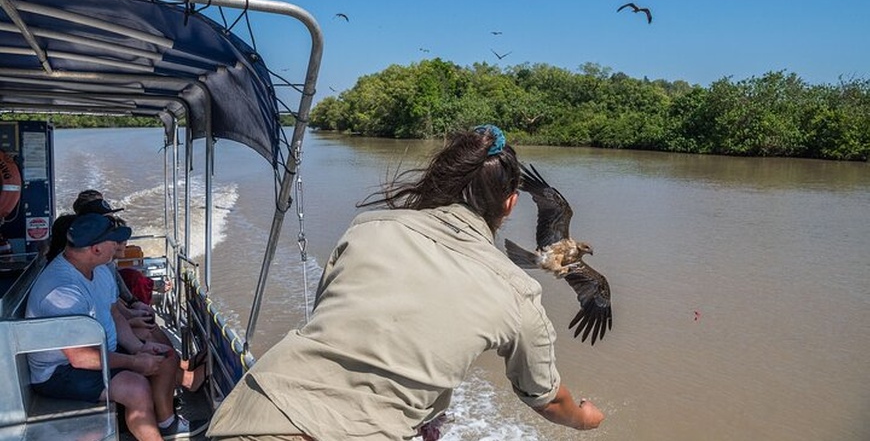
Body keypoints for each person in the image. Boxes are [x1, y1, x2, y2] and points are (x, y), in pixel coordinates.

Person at [207, 125, 604, 440]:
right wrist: (585, 420)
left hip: (248, 415)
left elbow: (341, 320)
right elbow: (548, 399)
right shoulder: (517, 289)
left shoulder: (368, 226)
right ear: (511, 202)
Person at [26, 213, 207, 439]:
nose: (120, 245)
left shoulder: (100, 269)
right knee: (135, 388)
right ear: (96, 249)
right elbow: (80, 357)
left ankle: (167, 424)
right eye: (114, 240)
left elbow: (114, 315)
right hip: (59, 371)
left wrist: (136, 348)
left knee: (166, 356)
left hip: (99, 350)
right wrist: (134, 363)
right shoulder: (62, 291)